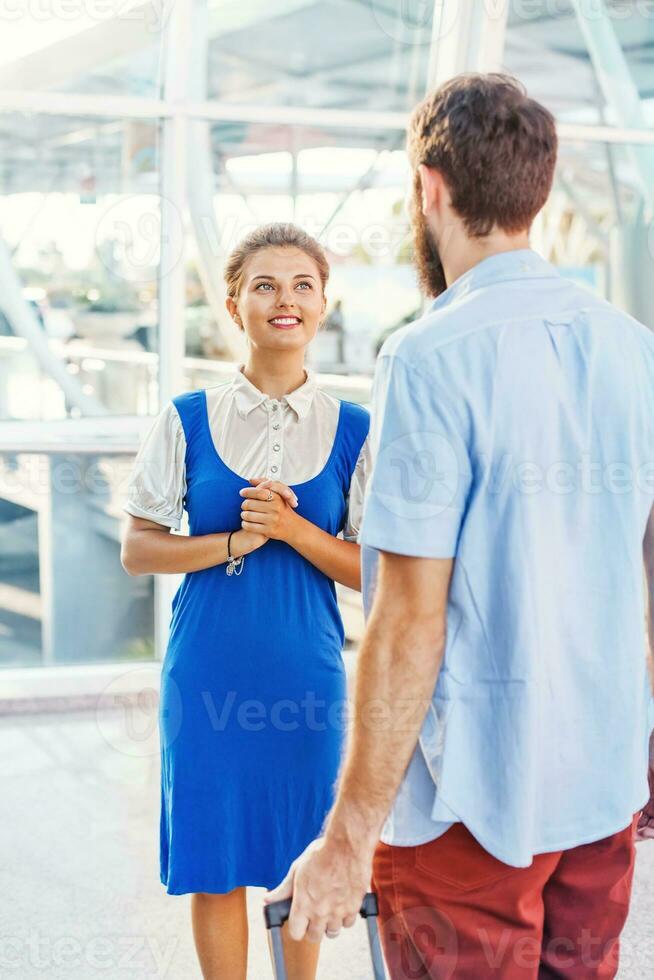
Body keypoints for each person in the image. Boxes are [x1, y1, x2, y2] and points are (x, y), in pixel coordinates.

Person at [264, 74, 654, 979]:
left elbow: (407, 620)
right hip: (600, 788)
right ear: (539, 192)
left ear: (429, 188)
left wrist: (347, 839)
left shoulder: (428, 355)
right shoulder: (634, 349)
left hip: (468, 811)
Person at [120, 222, 371, 980]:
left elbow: (376, 570)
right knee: (214, 858)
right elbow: (139, 548)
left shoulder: (355, 428)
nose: (283, 300)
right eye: (264, 285)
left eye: (301, 285)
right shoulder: (187, 418)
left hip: (307, 676)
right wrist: (235, 542)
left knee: (304, 854)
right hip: (207, 670)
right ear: (235, 307)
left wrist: (292, 529)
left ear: (323, 305)